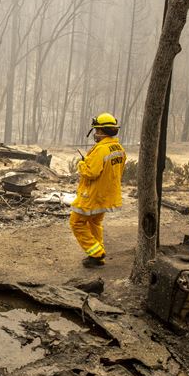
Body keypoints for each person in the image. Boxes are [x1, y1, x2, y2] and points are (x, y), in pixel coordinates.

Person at [70, 113, 126, 268]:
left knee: (76, 223)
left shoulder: (101, 150)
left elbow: (91, 173)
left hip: (92, 196)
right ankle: (98, 254)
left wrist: (81, 164)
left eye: (96, 130)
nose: (95, 133)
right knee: (95, 223)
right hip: (107, 195)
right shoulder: (119, 148)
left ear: (102, 131)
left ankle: (96, 254)